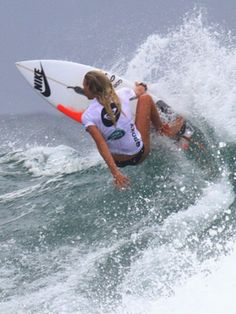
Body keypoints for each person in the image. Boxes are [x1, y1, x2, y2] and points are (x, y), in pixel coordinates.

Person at [81, 71, 184, 189]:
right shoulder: (122, 94)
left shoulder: (87, 116)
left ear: (91, 88)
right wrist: (142, 85)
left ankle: (153, 130)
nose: (83, 89)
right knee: (145, 98)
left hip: (118, 162)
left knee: (105, 135)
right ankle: (162, 129)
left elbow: (101, 144)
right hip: (139, 154)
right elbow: (141, 91)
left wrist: (116, 173)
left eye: (84, 86)